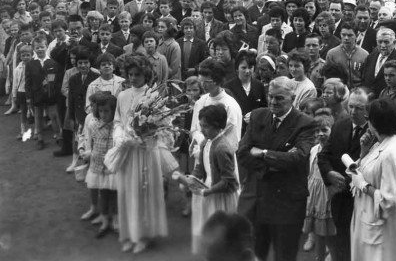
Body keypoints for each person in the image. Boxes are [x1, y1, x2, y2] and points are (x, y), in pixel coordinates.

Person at [236, 76, 317, 261]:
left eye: (280, 98)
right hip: (255, 201)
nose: (273, 101)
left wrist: (263, 152)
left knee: (284, 256)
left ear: (293, 97)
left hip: (286, 206)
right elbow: (242, 153)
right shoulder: (258, 116)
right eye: (271, 96)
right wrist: (277, 161)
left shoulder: (305, 123)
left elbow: (297, 158)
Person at [113, 54, 176, 254]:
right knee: (127, 192)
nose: (133, 78)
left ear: (145, 74)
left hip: (145, 152)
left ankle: (144, 235)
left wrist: (147, 134)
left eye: (137, 74)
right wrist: (120, 136)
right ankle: (131, 233)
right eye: (130, 74)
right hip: (127, 151)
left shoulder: (153, 95)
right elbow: (117, 120)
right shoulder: (122, 96)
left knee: (143, 193)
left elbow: (165, 123)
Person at [350, 99, 396, 261]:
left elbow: (390, 201)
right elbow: (365, 168)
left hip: (380, 233)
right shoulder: (383, 144)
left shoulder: (391, 153)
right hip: (370, 225)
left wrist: (363, 185)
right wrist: (363, 152)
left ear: (374, 123)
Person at [318, 88, 371, 261]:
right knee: (342, 244)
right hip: (340, 198)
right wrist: (330, 173)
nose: (353, 112)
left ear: (368, 109)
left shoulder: (373, 132)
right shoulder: (340, 125)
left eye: (359, 108)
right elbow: (324, 156)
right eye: (351, 107)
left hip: (362, 199)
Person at [184, 104, 239, 254]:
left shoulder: (222, 148)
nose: (202, 130)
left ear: (218, 126)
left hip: (220, 195)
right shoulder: (205, 142)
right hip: (208, 189)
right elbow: (201, 166)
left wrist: (208, 191)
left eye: (206, 126)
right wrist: (192, 179)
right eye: (201, 125)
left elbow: (229, 181)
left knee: (221, 234)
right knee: (208, 231)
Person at [81, 92, 118, 238]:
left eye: (106, 111)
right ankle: (104, 220)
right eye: (100, 111)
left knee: (114, 194)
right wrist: (87, 153)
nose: (103, 114)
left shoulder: (117, 127)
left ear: (113, 111)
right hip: (98, 165)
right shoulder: (93, 124)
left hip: (112, 167)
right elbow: (90, 142)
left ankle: (115, 219)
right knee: (103, 194)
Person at [302, 109, 336, 261]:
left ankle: (334, 256)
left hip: (327, 194)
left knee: (329, 232)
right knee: (317, 231)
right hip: (314, 193)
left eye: (324, 130)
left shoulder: (334, 150)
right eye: (317, 131)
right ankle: (319, 256)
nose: (320, 134)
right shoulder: (314, 149)